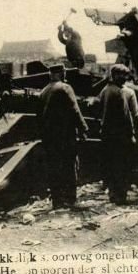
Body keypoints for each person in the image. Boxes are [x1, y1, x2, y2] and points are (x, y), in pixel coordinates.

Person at [37, 64, 88, 208]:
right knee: (69, 166)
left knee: (54, 167)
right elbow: (75, 109)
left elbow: (39, 117)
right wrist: (84, 128)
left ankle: (57, 201)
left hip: (49, 138)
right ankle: (71, 200)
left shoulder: (43, 91)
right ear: (61, 73)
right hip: (65, 136)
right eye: (64, 72)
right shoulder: (65, 87)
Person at [98, 64, 138, 204]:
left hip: (107, 133)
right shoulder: (127, 92)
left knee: (111, 164)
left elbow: (97, 109)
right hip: (122, 134)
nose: (123, 77)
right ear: (114, 75)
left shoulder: (104, 91)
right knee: (123, 164)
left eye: (124, 75)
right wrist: (136, 133)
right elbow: (133, 115)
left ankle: (113, 193)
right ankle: (121, 194)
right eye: (120, 75)